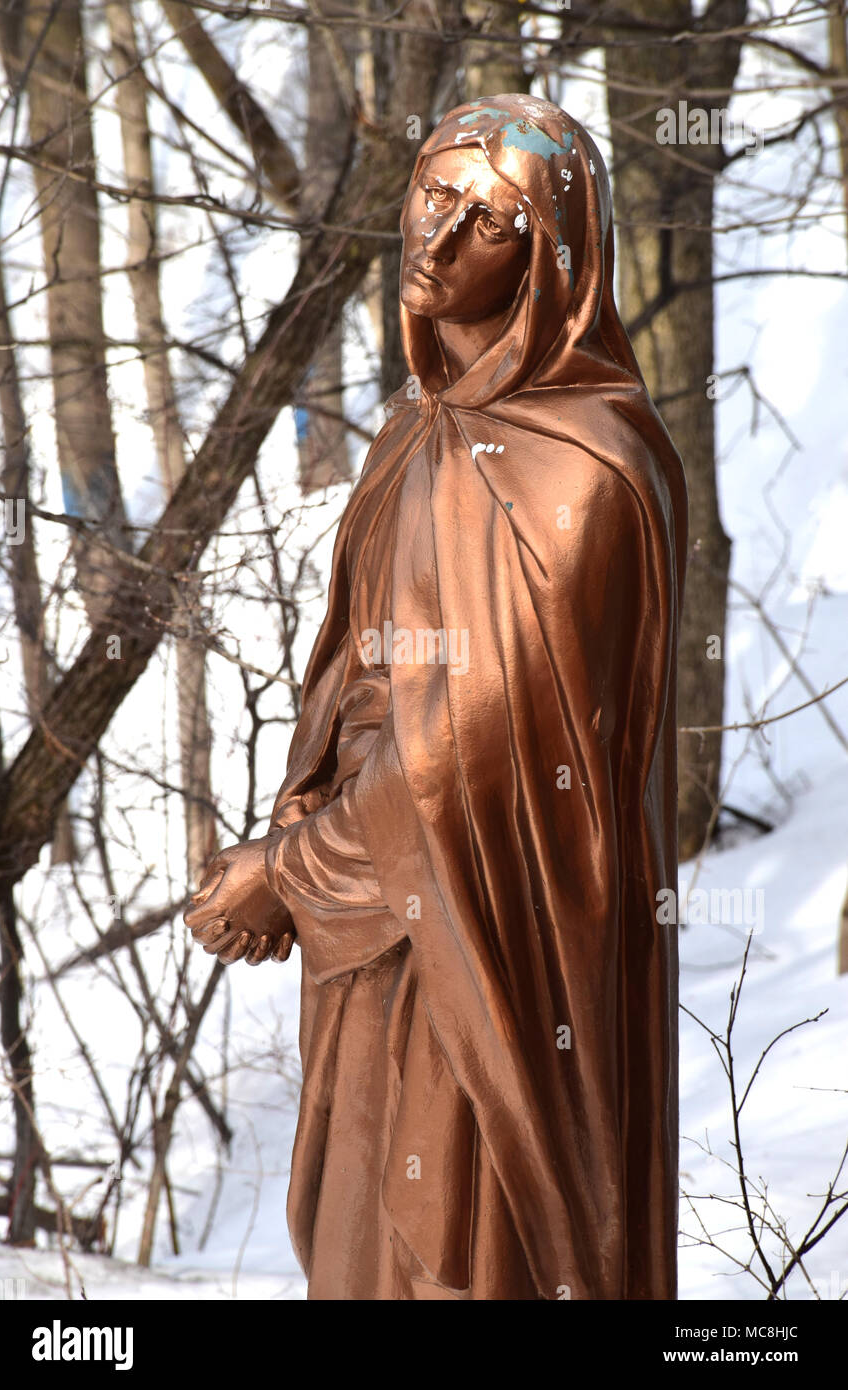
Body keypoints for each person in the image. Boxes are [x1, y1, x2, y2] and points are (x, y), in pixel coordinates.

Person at [184, 94, 688, 1301]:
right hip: (374, 936)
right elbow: (361, 678)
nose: (439, 235)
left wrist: (286, 871)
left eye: (490, 220)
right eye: (430, 194)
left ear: (555, 266)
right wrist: (308, 840)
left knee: (464, 1258)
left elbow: (469, 761)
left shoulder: (585, 475)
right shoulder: (410, 434)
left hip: (499, 954)